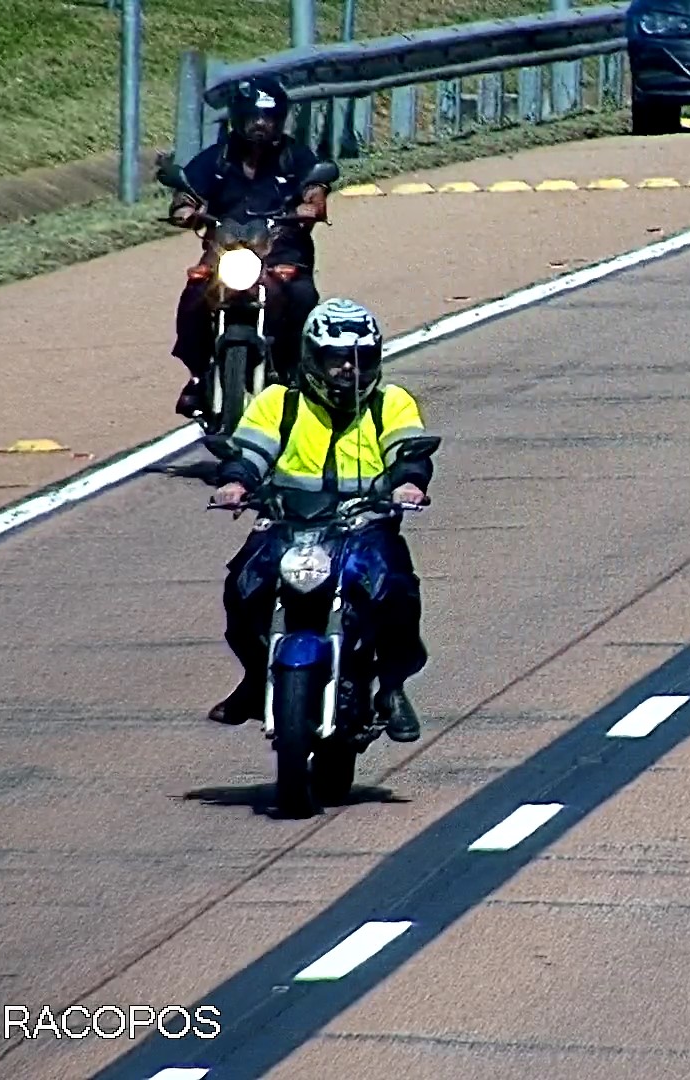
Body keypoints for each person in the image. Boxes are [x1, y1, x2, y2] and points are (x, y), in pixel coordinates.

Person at [206, 298, 432, 744]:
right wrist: (235, 482)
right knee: (241, 588)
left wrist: (408, 484)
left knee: (400, 595)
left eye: (361, 360)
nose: (349, 371)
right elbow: (249, 452)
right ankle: (256, 678)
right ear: (312, 358)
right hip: (285, 525)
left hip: (364, 527)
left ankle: (391, 690)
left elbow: (409, 452)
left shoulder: (392, 403)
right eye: (337, 361)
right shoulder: (279, 404)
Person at [165, 74, 330, 420]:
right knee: (194, 296)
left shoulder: (293, 157)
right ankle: (198, 374)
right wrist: (185, 209)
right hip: (225, 251)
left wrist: (312, 204)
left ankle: (297, 372)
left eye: (268, 117)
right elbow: (188, 190)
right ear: (238, 117)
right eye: (254, 116)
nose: (260, 124)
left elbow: (315, 184)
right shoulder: (218, 159)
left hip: (281, 253)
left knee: (303, 298)